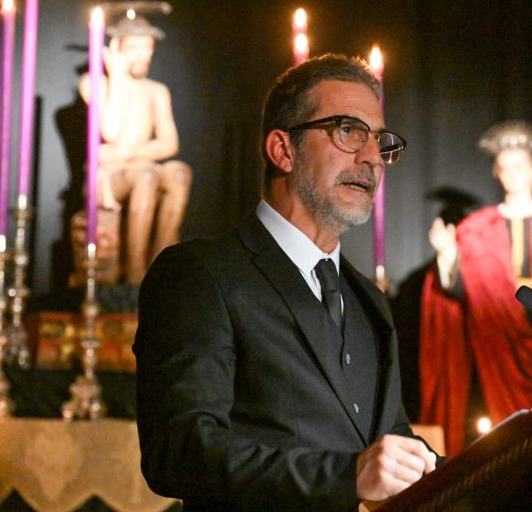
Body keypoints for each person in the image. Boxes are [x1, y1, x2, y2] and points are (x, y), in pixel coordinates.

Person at [134, 54, 439, 511]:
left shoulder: (368, 300)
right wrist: (345, 476)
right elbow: (178, 450)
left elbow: (393, 444)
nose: (373, 158)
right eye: (349, 131)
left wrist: (506, 469)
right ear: (282, 150)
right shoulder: (201, 273)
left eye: (379, 140)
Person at [419, 120, 532, 455]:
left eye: (519, 166)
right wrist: (448, 255)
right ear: (496, 173)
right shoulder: (477, 228)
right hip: (496, 353)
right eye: (504, 167)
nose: (512, 174)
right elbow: (461, 293)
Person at [79, 15, 191, 285]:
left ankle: (161, 269)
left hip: (135, 164)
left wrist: (126, 153)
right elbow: (111, 131)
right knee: (146, 175)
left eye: (147, 47)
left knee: (178, 173)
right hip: (108, 176)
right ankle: (136, 276)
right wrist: (117, 76)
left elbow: (169, 143)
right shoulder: (95, 83)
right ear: (117, 48)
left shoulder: (156, 91)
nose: (143, 55)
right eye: (135, 48)